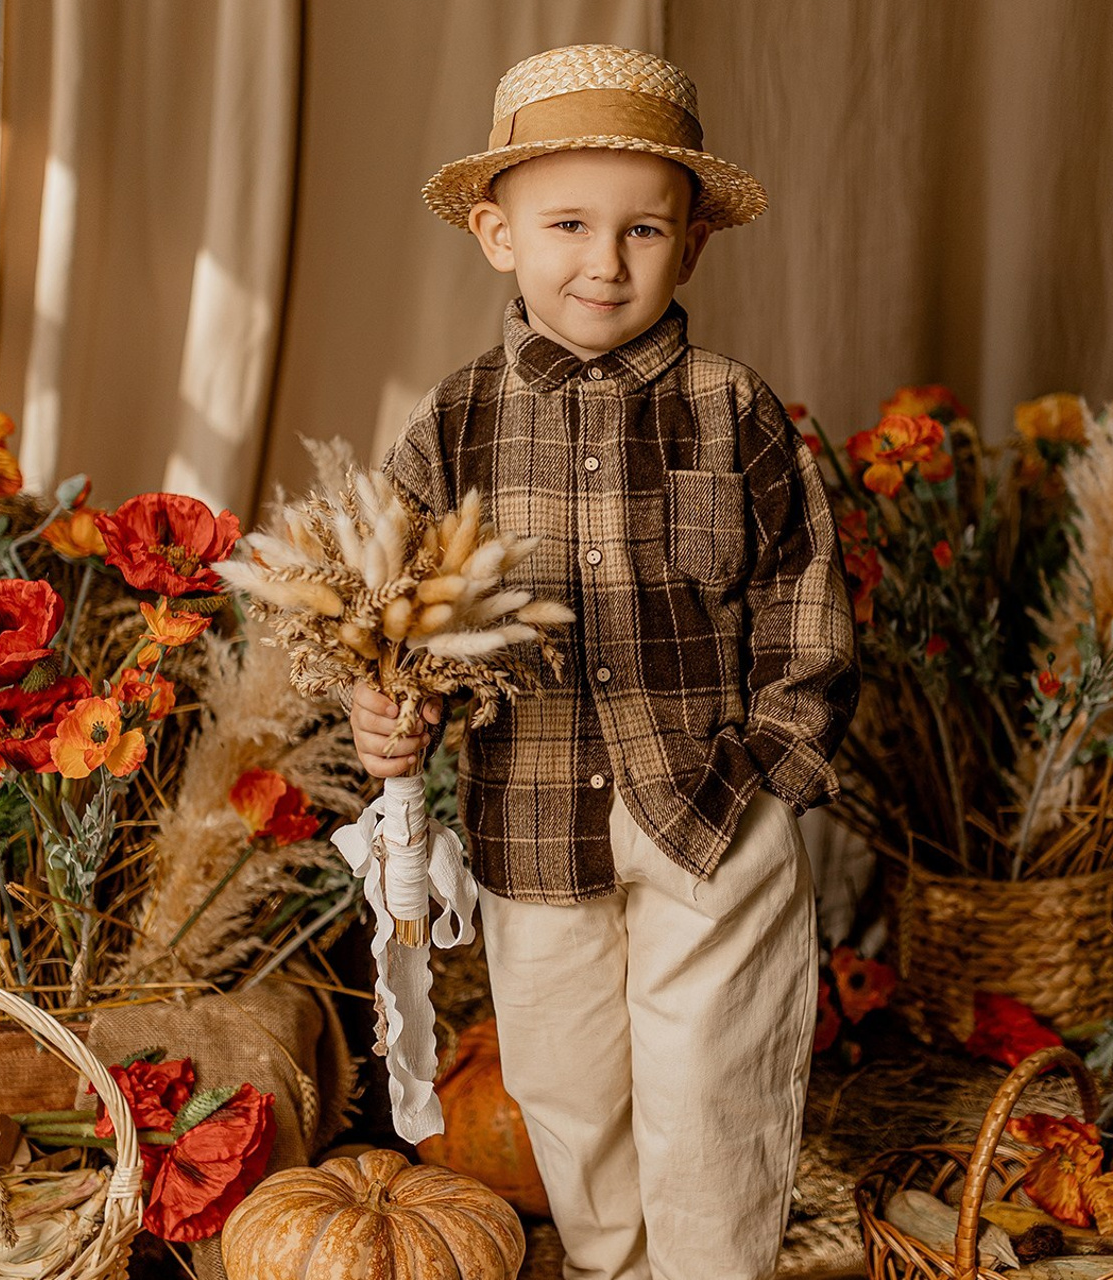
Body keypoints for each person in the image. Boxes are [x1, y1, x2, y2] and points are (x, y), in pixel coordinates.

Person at [351, 43, 859, 1280]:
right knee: (564, 1078)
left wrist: (774, 769)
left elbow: (804, 594)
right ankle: (608, 1265)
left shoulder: (736, 409)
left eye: (643, 230)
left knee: (708, 1077)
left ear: (689, 247)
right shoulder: (452, 419)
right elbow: (389, 608)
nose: (605, 260)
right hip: (533, 813)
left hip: (710, 804)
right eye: (568, 222)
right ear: (496, 233)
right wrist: (383, 708)